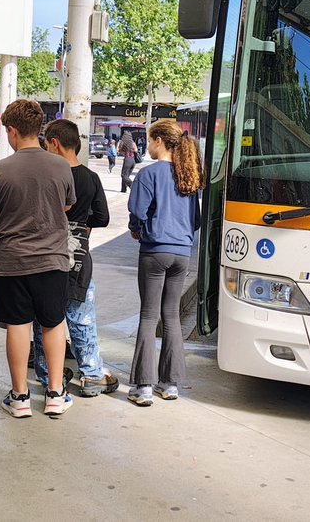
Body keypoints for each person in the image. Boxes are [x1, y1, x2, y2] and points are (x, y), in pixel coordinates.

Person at [0, 99, 76, 418]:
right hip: (52, 260)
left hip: (11, 261)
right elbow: (66, 206)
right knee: (53, 325)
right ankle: (55, 393)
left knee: (18, 325)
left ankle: (20, 396)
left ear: (12, 131)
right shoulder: (61, 166)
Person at [32, 120, 118, 398]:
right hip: (77, 255)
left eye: (46, 142)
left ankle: (47, 375)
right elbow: (103, 217)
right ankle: (92, 374)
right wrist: (81, 224)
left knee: (43, 317)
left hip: (44, 252)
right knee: (80, 316)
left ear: (54, 143)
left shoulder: (45, 176)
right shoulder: (89, 177)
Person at [126, 119, 202, 407]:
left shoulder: (149, 174)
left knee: (148, 316)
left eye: (149, 139)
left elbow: (138, 213)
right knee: (171, 317)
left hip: (154, 252)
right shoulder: (188, 176)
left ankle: (143, 386)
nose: (148, 145)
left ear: (158, 140)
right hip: (181, 253)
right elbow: (194, 220)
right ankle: (170, 384)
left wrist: (139, 229)